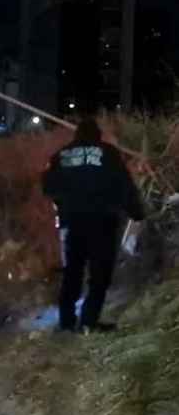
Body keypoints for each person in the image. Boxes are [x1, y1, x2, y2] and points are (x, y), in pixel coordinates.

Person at [43, 117, 145, 333]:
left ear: (77, 135)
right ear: (98, 136)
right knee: (100, 274)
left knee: (72, 272)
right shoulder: (108, 153)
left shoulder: (62, 155)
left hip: (74, 222)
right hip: (103, 222)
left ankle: (67, 322)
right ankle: (89, 321)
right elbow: (124, 185)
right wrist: (136, 212)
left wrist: (64, 203)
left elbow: (48, 185)